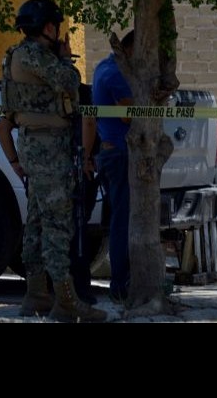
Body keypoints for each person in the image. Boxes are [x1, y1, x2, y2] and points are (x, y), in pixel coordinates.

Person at [0, 0, 106, 323]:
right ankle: (66, 302)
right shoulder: (34, 56)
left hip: (36, 148)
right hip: (49, 151)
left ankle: (36, 295)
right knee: (58, 226)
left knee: (36, 223)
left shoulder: (17, 56)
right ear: (47, 27)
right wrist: (64, 59)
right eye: (56, 27)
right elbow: (69, 81)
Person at [86, 29, 135, 303]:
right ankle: (120, 284)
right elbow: (129, 114)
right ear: (130, 50)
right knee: (122, 221)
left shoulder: (103, 67)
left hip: (110, 151)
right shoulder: (116, 73)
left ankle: (122, 281)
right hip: (119, 153)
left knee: (118, 219)